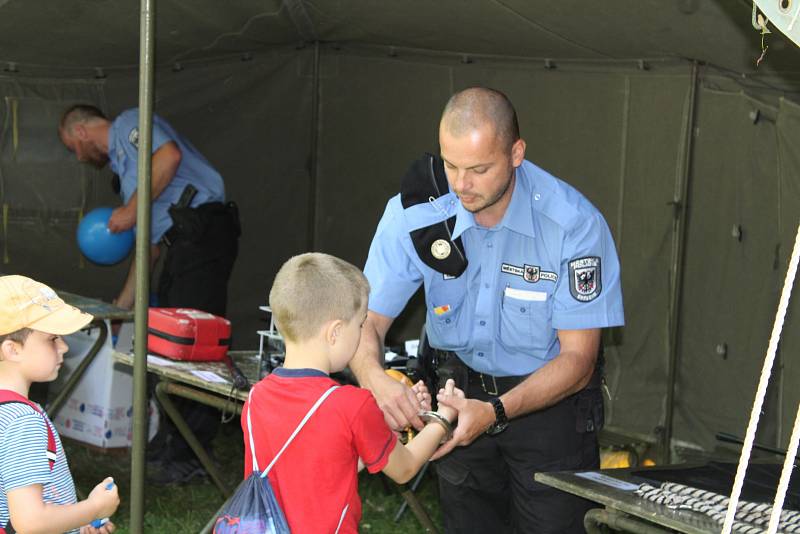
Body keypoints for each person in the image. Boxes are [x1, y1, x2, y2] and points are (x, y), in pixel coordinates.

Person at [349, 87, 625, 533]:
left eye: (479, 169)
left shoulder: (572, 223)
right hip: (457, 398)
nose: (461, 185)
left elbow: (578, 361)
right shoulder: (416, 212)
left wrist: (495, 411)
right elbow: (365, 322)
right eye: (451, 164)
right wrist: (376, 379)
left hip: (546, 408)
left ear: (516, 153)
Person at [58, 105, 241, 484]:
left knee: (193, 346)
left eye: (71, 147)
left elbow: (169, 155)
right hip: (182, 243)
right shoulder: (128, 175)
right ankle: (171, 442)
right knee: (170, 346)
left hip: (203, 234)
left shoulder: (128, 124)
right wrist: (120, 309)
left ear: (80, 132)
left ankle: (192, 456)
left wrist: (129, 210)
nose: (78, 158)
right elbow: (148, 249)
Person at [243, 252, 464, 533]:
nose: (361, 335)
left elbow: (323, 467)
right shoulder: (350, 403)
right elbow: (404, 468)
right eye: (359, 325)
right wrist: (442, 418)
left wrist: (380, 432)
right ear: (335, 332)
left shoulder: (257, 396)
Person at [0, 275, 120, 534]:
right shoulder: (23, 421)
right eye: (52, 339)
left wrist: (77, 521)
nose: (64, 347)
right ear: (13, 350)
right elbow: (31, 523)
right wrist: (95, 508)